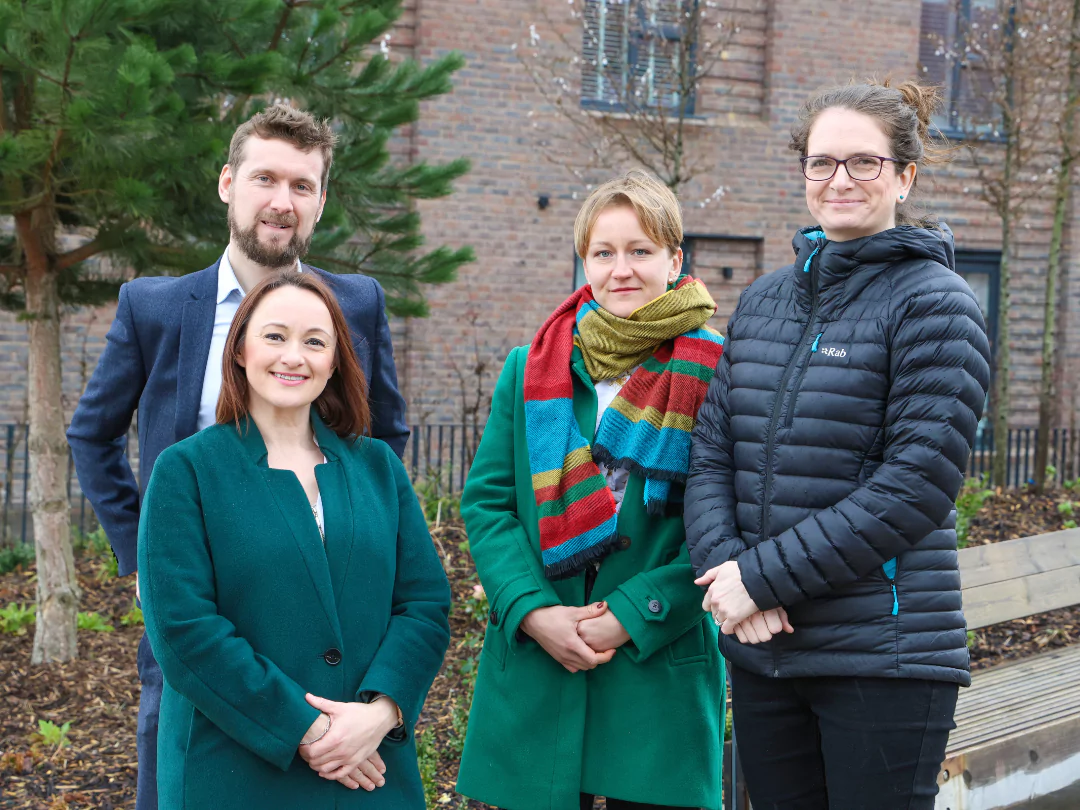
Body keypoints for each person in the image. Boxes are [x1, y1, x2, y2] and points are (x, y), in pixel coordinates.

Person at [65, 104, 409, 810]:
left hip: (320, 595)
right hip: (196, 597)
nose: (282, 202)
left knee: (324, 757)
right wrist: (143, 557)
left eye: (303, 185)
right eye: (265, 179)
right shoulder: (155, 307)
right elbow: (92, 435)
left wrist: (358, 543)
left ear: (320, 200)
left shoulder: (358, 304)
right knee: (178, 764)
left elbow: (385, 437)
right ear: (228, 183)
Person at [684, 80, 992, 810]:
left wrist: (761, 580)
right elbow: (712, 454)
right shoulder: (764, 300)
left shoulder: (936, 303)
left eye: (865, 163)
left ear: (905, 177)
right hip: (766, 650)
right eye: (822, 163)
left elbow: (915, 484)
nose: (840, 181)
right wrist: (728, 574)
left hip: (882, 658)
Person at [457, 170, 727, 810]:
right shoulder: (532, 368)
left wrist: (632, 617)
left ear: (674, 258)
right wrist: (533, 611)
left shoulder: (720, 371)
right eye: (603, 253)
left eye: (640, 250)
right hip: (538, 669)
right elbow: (488, 503)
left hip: (652, 671)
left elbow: (729, 526)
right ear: (584, 260)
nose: (621, 269)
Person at [137, 270, 450, 808]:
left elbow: (424, 604)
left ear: (334, 361)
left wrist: (382, 712)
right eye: (275, 336)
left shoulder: (377, 467)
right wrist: (307, 729)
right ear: (239, 350)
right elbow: (183, 629)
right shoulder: (185, 471)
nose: (294, 356)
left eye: (314, 342)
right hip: (234, 768)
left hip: (369, 765)